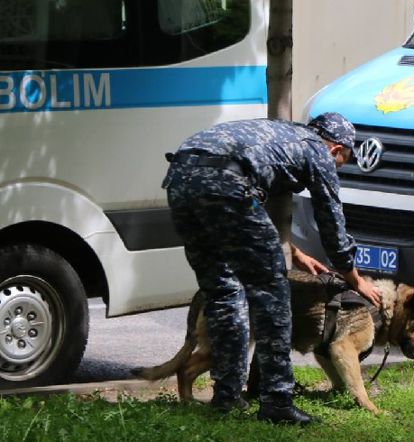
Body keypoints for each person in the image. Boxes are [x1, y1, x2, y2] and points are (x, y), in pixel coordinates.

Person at [161, 112, 382, 425]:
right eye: (342, 162)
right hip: (227, 183)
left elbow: (255, 203)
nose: (337, 168)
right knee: (274, 292)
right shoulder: (317, 150)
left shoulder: (281, 136)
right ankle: (277, 401)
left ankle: (227, 398)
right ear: (335, 149)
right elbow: (332, 224)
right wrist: (354, 279)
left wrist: (295, 252)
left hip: (180, 177)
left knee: (224, 290)